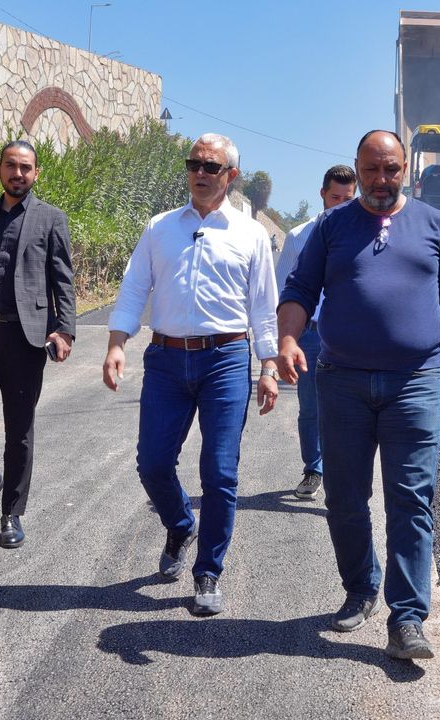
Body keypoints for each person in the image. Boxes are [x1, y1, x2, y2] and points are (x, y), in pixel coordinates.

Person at [276, 130, 440, 660]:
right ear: (357, 168)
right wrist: (288, 339)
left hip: (414, 382)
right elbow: (299, 290)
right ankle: (361, 586)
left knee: (411, 499)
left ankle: (407, 618)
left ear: (405, 169)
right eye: (371, 170)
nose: (381, 180)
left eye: (391, 169)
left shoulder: (434, 224)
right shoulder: (332, 226)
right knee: (344, 497)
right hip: (341, 381)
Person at [102, 133, 280, 616]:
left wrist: (268, 365)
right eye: (194, 163)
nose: (200, 173)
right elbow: (134, 288)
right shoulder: (160, 227)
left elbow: (264, 307)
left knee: (219, 471)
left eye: (211, 166)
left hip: (226, 360)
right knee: (152, 463)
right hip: (166, 360)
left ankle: (208, 571)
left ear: (231, 176)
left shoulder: (250, 234)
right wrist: (117, 344)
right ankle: (181, 525)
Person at [0, 140, 76, 549]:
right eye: (11, 165)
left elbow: (63, 279)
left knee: (18, 428)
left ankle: (11, 512)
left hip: (26, 338)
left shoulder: (51, 218)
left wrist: (64, 329)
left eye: (25, 167)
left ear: (36, 173)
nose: (17, 173)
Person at [273, 164, 357, 500]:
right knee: (311, 408)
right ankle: (313, 469)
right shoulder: (299, 236)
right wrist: (283, 343)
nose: (340, 205)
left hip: (349, 335)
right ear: (322, 194)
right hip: (309, 335)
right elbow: (282, 292)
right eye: (335, 197)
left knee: (349, 408)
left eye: (348, 199)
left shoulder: (366, 235)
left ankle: (345, 478)